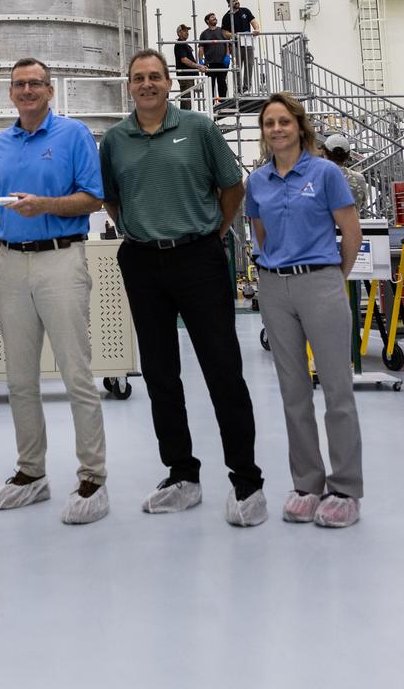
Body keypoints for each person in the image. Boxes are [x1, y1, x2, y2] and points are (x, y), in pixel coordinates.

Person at [99, 49, 267, 527]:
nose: (147, 84)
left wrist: (212, 232)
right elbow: (112, 198)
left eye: (154, 76)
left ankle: (246, 479)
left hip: (199, 257)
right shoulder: (114, 141)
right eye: (138, 78)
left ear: (169, 83)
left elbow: (232, 186)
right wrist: (142, 228)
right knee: (159, 373)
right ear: (128, 86)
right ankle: (182, 474)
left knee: (223, 369)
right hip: (142, 261)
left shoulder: (199, 128)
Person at [0, 58, 109, 525]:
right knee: (18, 378)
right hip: (11, 263)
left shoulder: (73, 136)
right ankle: (31, 473)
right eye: (20, 85)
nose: (28, 90)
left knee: (77, 374)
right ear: (10, 92)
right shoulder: (0, 143)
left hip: (60, 258)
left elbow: (92, 197)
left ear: (50, 91)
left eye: (36, 84)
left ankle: (93, 476)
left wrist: (46, 206)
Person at [246, 93, 364, 528]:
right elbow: (260, 232)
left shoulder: (325, 172)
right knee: (293, 392)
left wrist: (334, 277)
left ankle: (346, 488)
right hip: (276, 287)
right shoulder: (257, 182)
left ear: (299, 126)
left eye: (283, 122)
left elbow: (349, 231)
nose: (276, 129)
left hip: (321, 281)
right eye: (269, 123)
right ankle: (307, 484)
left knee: (336, 389)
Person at [322, 133, 368, 216]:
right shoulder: (359, 178)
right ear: (348, 155)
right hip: (352, 225)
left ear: (324, 152)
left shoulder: (316, 176)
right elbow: (362, 204)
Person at [222, 0, 260, 94]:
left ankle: (246, 88)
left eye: (237, 0)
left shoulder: (245, 11)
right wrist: (234, 35)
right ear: (229, 4)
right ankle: (238, 89)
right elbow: (224, 33)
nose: (236, 2)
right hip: (236, 45)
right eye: (234, 1)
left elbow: (254, 22)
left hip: (248, 44)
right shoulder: (227, 17)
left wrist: (256, 29)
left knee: (249, 65)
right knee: (237, 68)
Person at [199, 12, 231, 101]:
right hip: (210, 63)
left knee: (222, 83)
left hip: (222, 62)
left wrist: (228, 56)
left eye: (215, 17)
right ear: (207, 21)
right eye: (212, 17)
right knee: (210, 84)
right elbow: (201, 48)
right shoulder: (204, 34)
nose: (214, 18)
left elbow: (227, 44)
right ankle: (211, 103)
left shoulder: (221, 31)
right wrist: (200, 61)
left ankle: (222, 102)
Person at [172, 23, 203, 111]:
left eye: (187, 31)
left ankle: (186, 117)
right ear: (179, 33)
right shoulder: (180, 44)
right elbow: (184, 60)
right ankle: (184, 119)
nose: (187, 32)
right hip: (186, 77)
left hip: (188, 77)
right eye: (184, 31)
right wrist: (198, 66)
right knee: (187, 99)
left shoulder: (184, 44)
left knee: (188, 99)